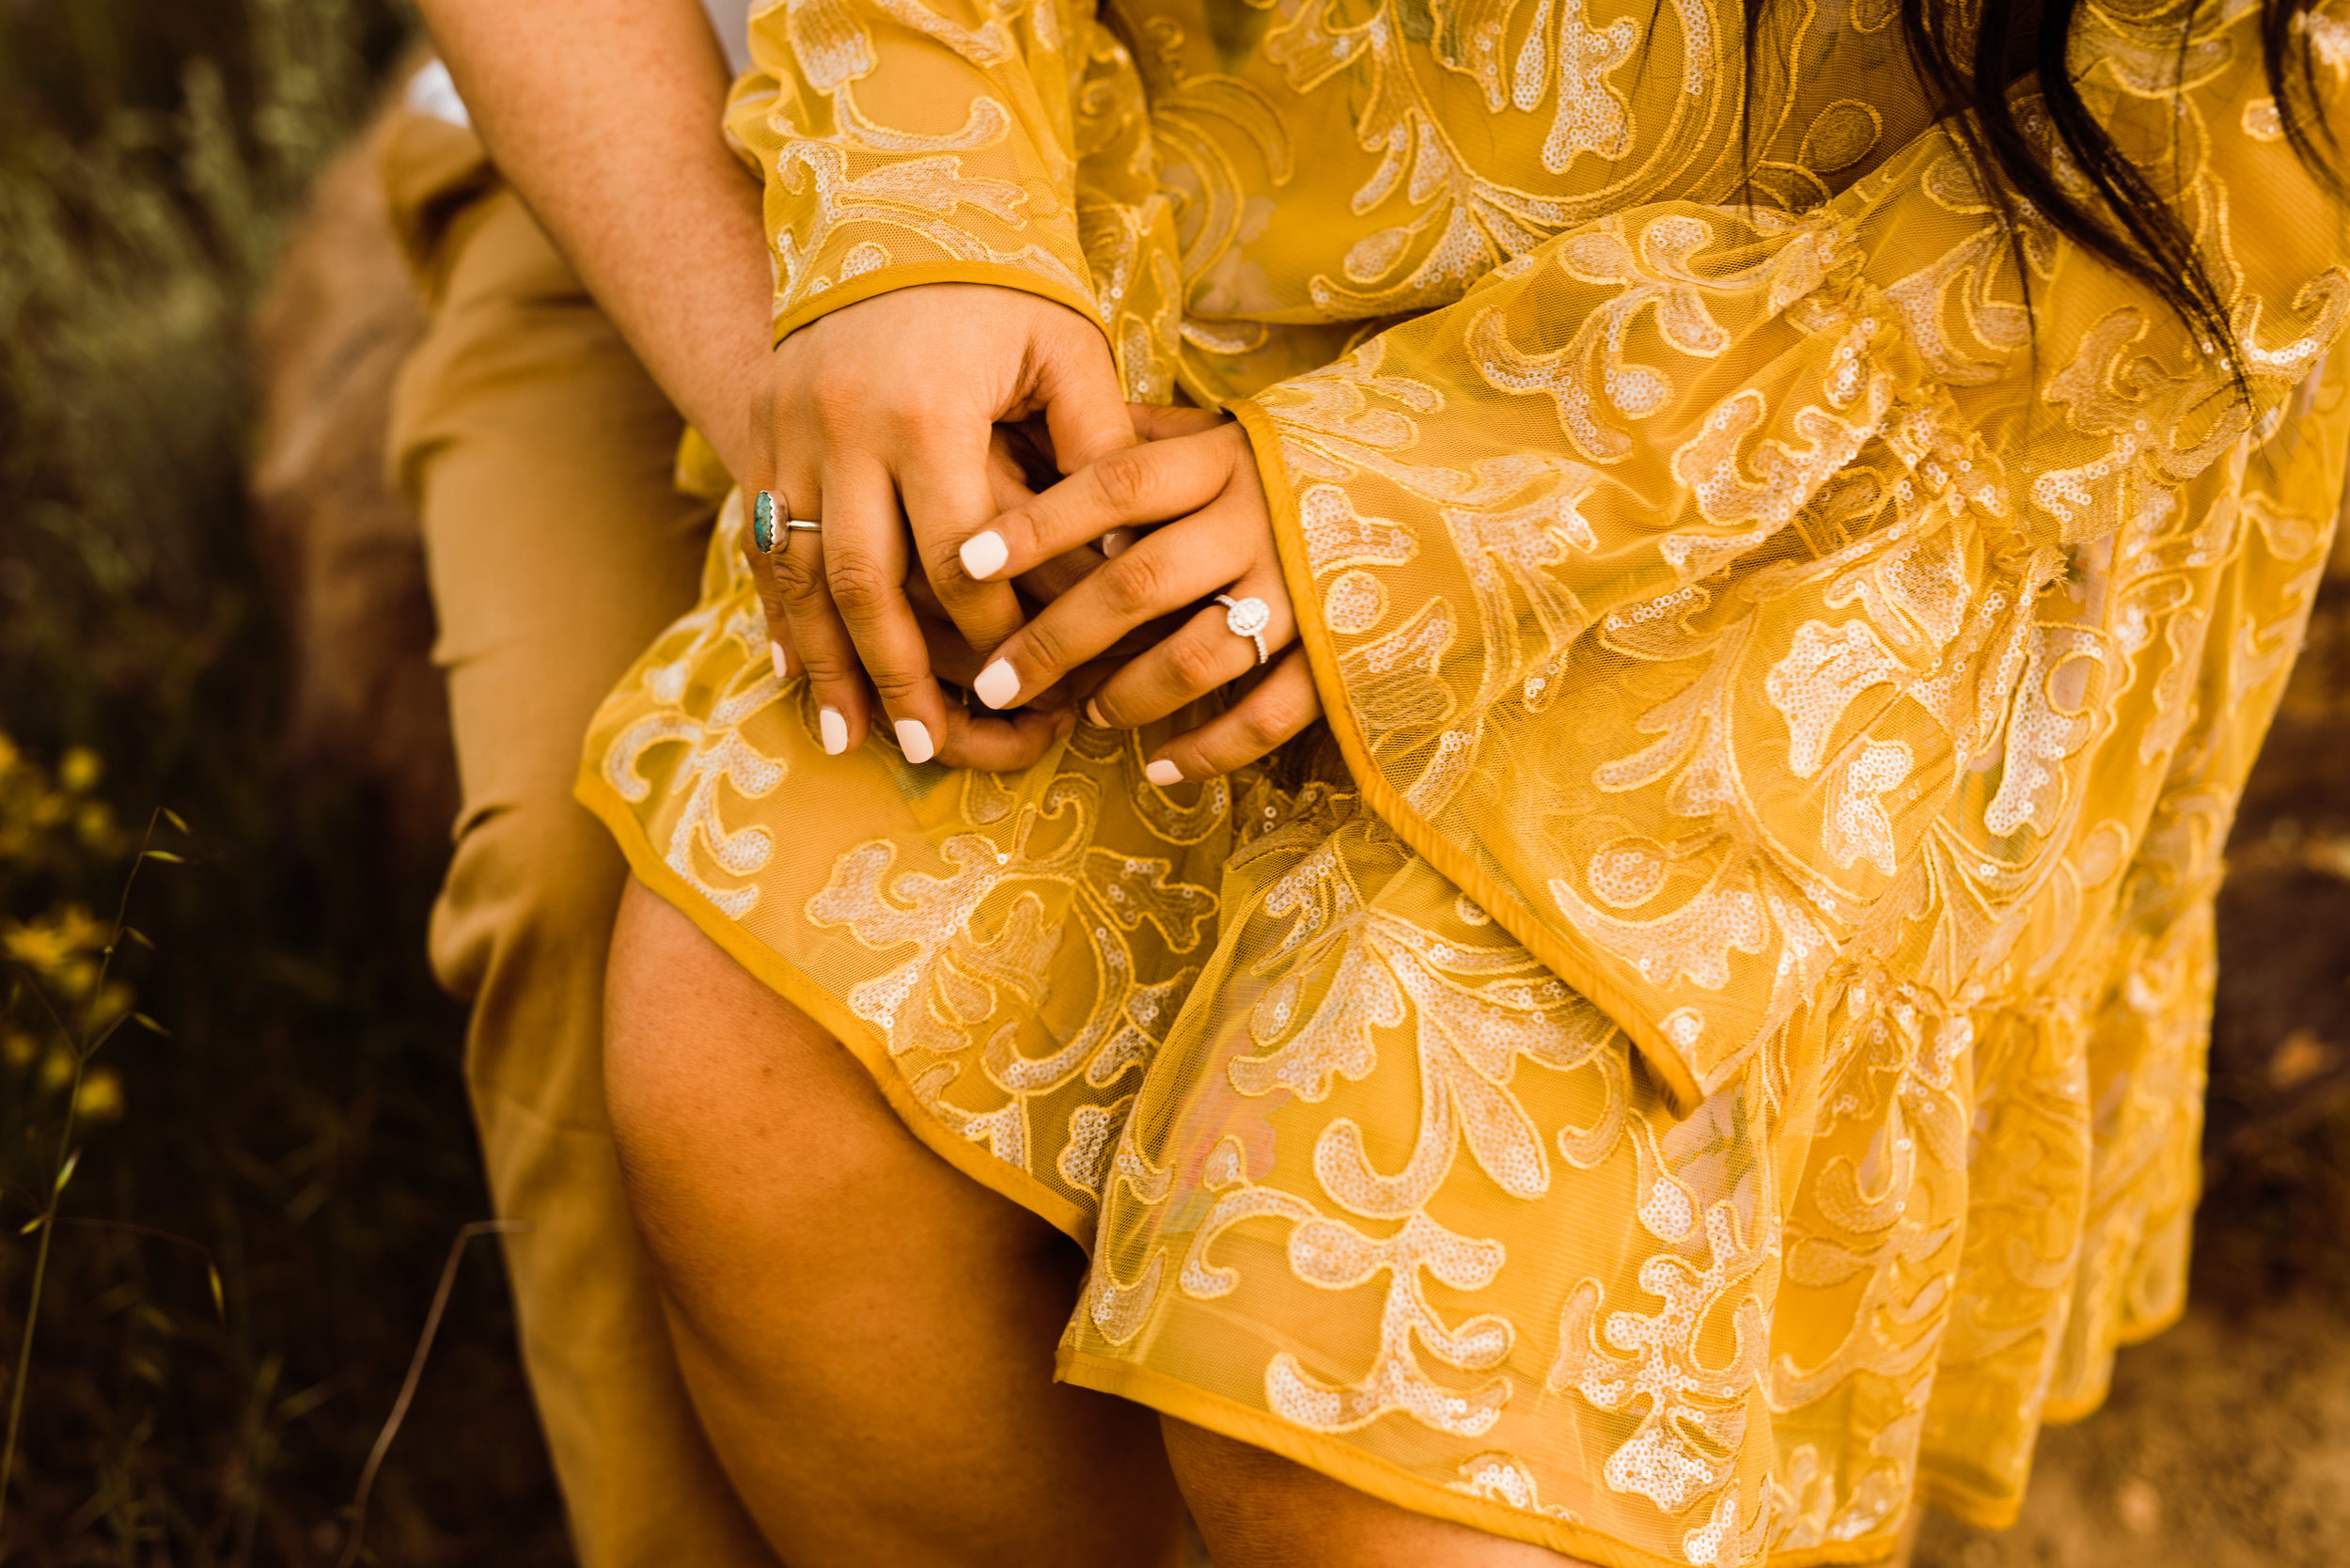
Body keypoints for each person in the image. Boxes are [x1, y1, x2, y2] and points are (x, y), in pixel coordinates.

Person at [442, 0, 2350, 1564]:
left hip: (1878, 371)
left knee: (1367, 1408)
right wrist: (906, 238)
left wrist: (1447, 492)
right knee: (757, 1079)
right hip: (1181, 203)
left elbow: (2245, 149)